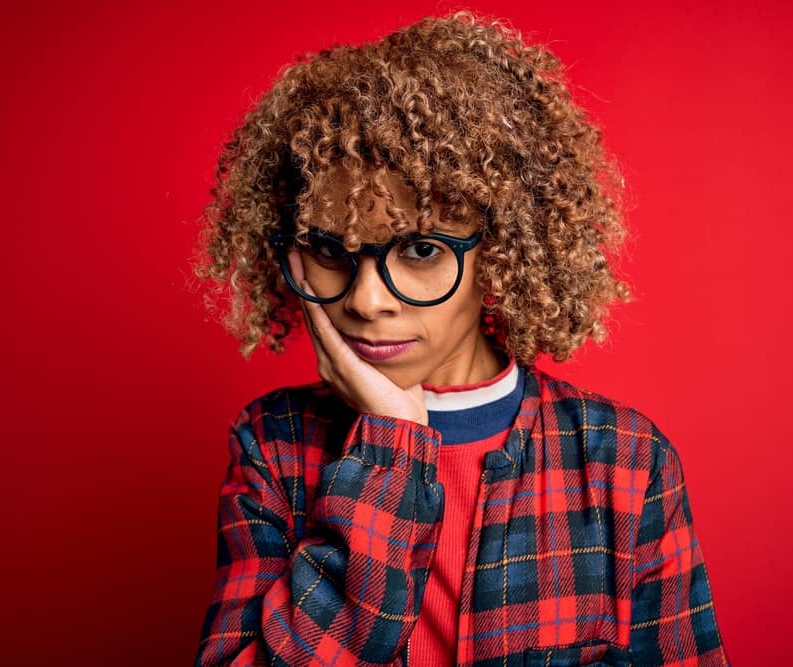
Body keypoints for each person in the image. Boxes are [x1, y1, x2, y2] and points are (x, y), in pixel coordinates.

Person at [190, 11, 730, 667]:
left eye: (419, 249)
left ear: (497, 255)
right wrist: (389, 445)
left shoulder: (625, 462)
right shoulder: (274, 446)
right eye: (331, 250)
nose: (365, 299)